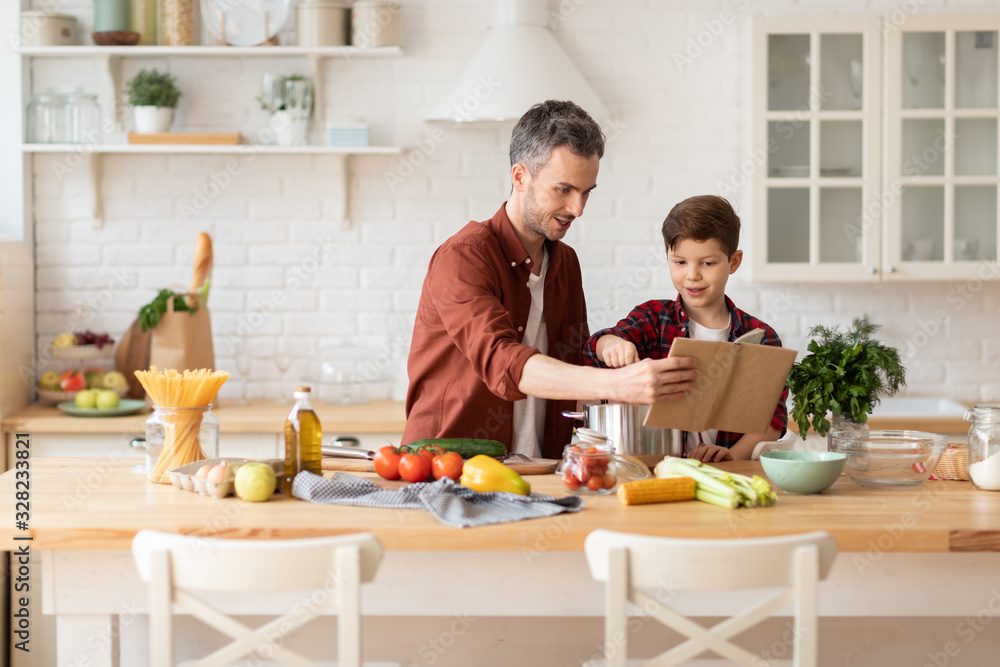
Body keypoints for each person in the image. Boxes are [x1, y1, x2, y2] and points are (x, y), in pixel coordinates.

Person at [403, 100, 698, 460]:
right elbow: (502, 361)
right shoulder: (463, 257)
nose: (578, 209)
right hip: (448, 472)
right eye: (564, 190)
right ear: (520, 177)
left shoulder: (565, 263)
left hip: (541, 474)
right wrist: (617, 383)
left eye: (586, 191)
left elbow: (571, 370)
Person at [583, 195, 788, 462]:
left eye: (708, 263)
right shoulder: (654, 318)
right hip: (656, 469)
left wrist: (731, 456)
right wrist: (611, 345)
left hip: (728, 472)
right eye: (680, 262)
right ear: (667, 257)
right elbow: (596, 346)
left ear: (734, 262)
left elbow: (772, 418)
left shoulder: (763, 337)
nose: (692, 275)